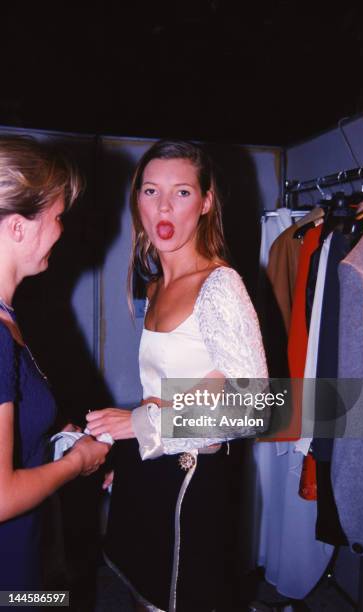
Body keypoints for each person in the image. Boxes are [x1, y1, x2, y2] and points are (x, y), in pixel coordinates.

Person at [86, 139, 268, 611]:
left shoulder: (219, 286)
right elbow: (167, 391)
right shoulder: (155, 285)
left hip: (197, 488)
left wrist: (139, 426)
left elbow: (253, 407)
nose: (164, 206)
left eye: (182, 192)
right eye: (151, 191)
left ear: (206, 202)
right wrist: (129, 451)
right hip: (155, 472)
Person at [0, 136, 110, 591]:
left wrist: (58, 436)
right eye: (58, 216)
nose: (63, 230)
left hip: (29, 547)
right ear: (18, 227)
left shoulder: (9, 316)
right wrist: (77, 462)